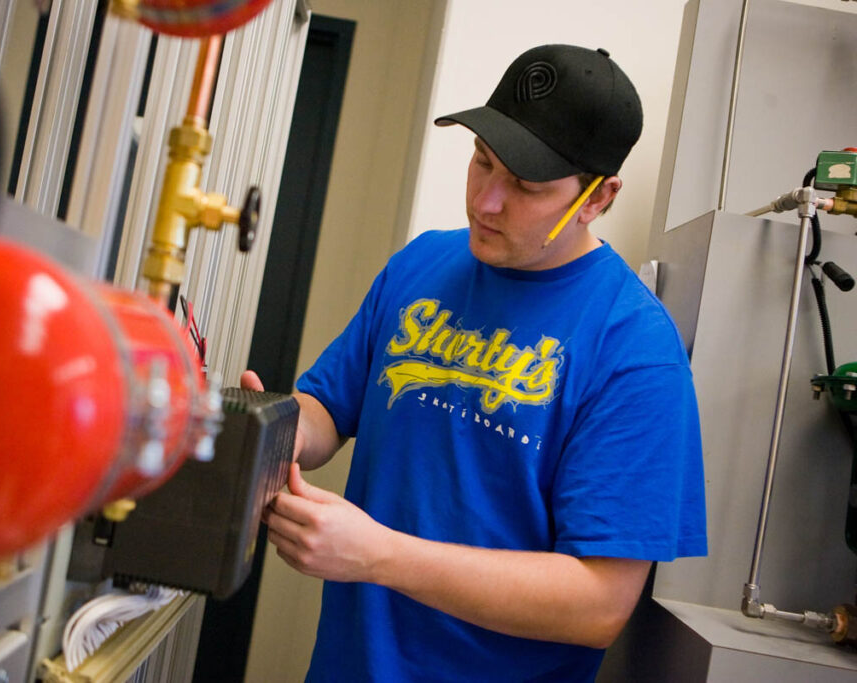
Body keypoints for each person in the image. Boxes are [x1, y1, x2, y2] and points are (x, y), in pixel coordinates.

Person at [243, 43, 707, 682]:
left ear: (599, 198)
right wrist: (260, 430)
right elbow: (330, 408)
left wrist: (377, 557)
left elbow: (598, 605)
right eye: (482, 162)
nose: (486, 202)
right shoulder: (422, 263)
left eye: (525, 185)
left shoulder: (636, 353)